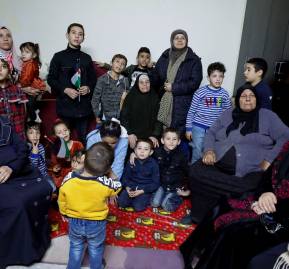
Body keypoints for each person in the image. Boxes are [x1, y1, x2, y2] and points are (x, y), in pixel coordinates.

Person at [181, 83, 289, 225]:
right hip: (216, 163)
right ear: (238, 99)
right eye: (243, 96)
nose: (248, 99)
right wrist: (208, 150)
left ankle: (219, 217)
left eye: (251, 96)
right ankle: (198, 215)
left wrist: (269, 159)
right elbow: (212, 132)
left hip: (249, 170)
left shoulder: (268, 116)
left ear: (257, 99)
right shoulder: (228, 113)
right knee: (195, 172)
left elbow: (285, 136)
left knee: (246, 188)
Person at [181, 140, 289, 269]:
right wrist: (265, 193)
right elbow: (269, 176)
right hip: (267, 199)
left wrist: (270, 208)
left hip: (281, 218)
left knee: (233, 230)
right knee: (222, 205)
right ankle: (197, 256)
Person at [58, 142, 122, 269]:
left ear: (83, 158)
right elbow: (118, 186)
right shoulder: (104, 183)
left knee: (76, 246)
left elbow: (62, 199)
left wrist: (64, 212)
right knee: (96, 248)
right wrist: (110, 172)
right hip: (96, 223)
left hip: (74, 221)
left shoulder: (69, 178)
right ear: (106, 169)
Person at [0, 115, 53, 267]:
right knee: (19, 203)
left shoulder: (3, 121)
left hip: (16, 169)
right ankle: (21, 253)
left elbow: (22, 148)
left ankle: (36, 241)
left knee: (44, 187)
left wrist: (11, 167)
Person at [47, 23, 97, 144]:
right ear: (67, 35)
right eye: (74, 33)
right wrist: (65, 90)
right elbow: (51, 79)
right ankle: (62, 162)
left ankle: (81, 162)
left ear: (83, 38)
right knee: (62, 142)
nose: (77, 36)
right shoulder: (58, 57)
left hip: (83, 108)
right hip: (65, 107)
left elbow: (93, 79)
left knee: (82, 141)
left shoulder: (87, 58)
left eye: (80, 34)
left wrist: (88, 88)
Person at [150, 29, 202, 136]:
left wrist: (174, 87)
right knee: (160, 135)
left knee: (176, 136)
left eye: (182, 38)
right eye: (176, 38)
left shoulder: (194, 59)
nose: (179, 40)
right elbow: (156, 75)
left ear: (186, 41)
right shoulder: (165, 56)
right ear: (172, 40)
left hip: (181, 104)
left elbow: (195, 82)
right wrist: (148, 77)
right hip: (162, 99)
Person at [186, 62, 232, 163]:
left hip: (215, 129)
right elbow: (191, 111)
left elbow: (227, 114)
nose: (218, 79)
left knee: (211, 152)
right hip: (199, 127)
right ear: (208, 77)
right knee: (198, 150)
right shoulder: (200, 92)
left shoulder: (224, 94)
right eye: (214, 76)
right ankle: (194, 171)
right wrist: (188, 129)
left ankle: (205, 174)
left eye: (221, 76)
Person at [151, 127, 190, 212]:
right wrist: (134, 155)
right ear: (162, 140)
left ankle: (177, 197)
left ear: (179, 141)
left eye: (174, 139)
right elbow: (146, 159)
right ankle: (163, 195)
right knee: (154, 203)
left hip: (175, 187)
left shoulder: (182, 155)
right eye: (168, 139)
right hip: (161, 185)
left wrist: (187, 191)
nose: (171, 142)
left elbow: (189, 172)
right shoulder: (157, 152)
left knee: (166, 206)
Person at [120, 74, 162, 149]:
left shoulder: (155, 98)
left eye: (147, 82)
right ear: (137, 84)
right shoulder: (131, 97)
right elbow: (124, 117)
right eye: (141, 82)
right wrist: (130, 133)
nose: (145, 84)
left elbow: (159, 119)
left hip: (150, 136)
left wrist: (154, 135)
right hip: (133, 135)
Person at [118, 139, 160, 211]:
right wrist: (127, 188)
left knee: (138, 207)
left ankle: (146, 198)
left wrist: (142, 191)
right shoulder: (131, 161)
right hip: (131, 187)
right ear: (135, 150)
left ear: (151, 152)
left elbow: (156, 183)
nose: (142, 151)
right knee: (121, 203)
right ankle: (132, 199)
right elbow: (125, 177)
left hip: (144, 189)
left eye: (146, 149)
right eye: (139, 148)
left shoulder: (153, 164)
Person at [91, 54, 129, 123]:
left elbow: (127, 100)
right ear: (111, 63)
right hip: (104, 117)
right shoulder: (102, 79)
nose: (119, 65)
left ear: (124, 68)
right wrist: (97, 115)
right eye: (117, 61)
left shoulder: (125, 81)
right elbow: (95, 99)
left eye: (122, 64)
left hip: (119, 117)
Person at [49, 119, 84, 188]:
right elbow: (54, 165)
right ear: (55, 136)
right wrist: (56, 170)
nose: (64, 133)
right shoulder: (56, 149)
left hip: (77, 174)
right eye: (59, 132)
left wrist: (72, 161)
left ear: (69, 130)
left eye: (65, 130)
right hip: (63, 177)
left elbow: (84, 161)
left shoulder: (78, 144)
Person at [0, 59, 27, 138]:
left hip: (18, 134)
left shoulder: (17, 90)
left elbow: (24, 114)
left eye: (3, 66)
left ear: (8, 71)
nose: (0, 69)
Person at [19, 42, 46, 122]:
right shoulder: (27, 63)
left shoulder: (30, 64)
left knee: (29, 102)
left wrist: (22, 85)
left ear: (34, 55)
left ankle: (34, 117)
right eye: (22, 52)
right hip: (33, 84)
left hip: (33, 85)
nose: (23, 54)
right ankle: (35, 110)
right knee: (30, 102)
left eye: (27, 52)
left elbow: (27, 77)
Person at [25, 121, 55, 190]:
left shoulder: (40, 146)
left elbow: (43, 161)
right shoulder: (26, 148)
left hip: (44, 174)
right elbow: (32, 167)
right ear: (26, 134)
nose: (35, 136)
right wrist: (34, 154)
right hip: (34, 177)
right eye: (31, 133)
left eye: (37, 133)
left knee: (54, 188)